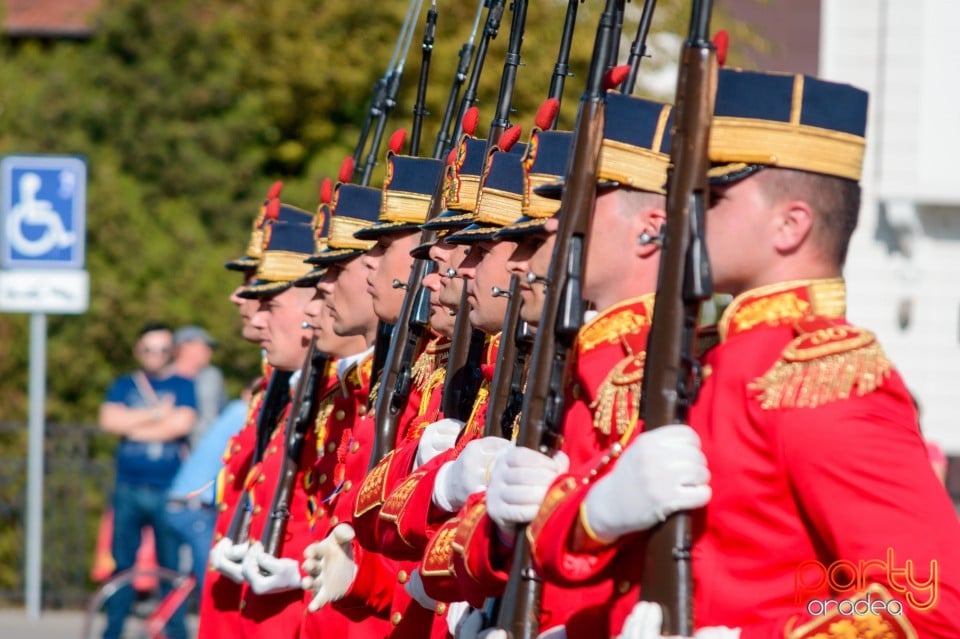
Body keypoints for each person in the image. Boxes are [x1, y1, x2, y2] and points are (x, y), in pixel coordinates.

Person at [543, 69, 960, 638]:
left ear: (790, 225)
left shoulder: (819, 375)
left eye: (711, 198)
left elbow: (927, 601)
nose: (687, 214)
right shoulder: (715, 359)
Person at [99, 321, 197, 639]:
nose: (155, 355)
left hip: (166, 489)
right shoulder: (123, 384)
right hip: (128, 486)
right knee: (122, 564)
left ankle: (175, 631)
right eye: (149, 349)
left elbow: (180, 426)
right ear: (138, 350)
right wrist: (156, 415)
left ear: (172, 352)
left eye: (163, 349)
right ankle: (112, 631)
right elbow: (110, 421)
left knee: (170, 566)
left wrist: (133, 424)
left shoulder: (184, 384)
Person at [170, 325, 227, 446]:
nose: (209, 351)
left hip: (204, 449)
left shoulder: (212, 376)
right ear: (184, 346)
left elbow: (215, 416)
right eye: (205, 346)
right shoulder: (164, 376)